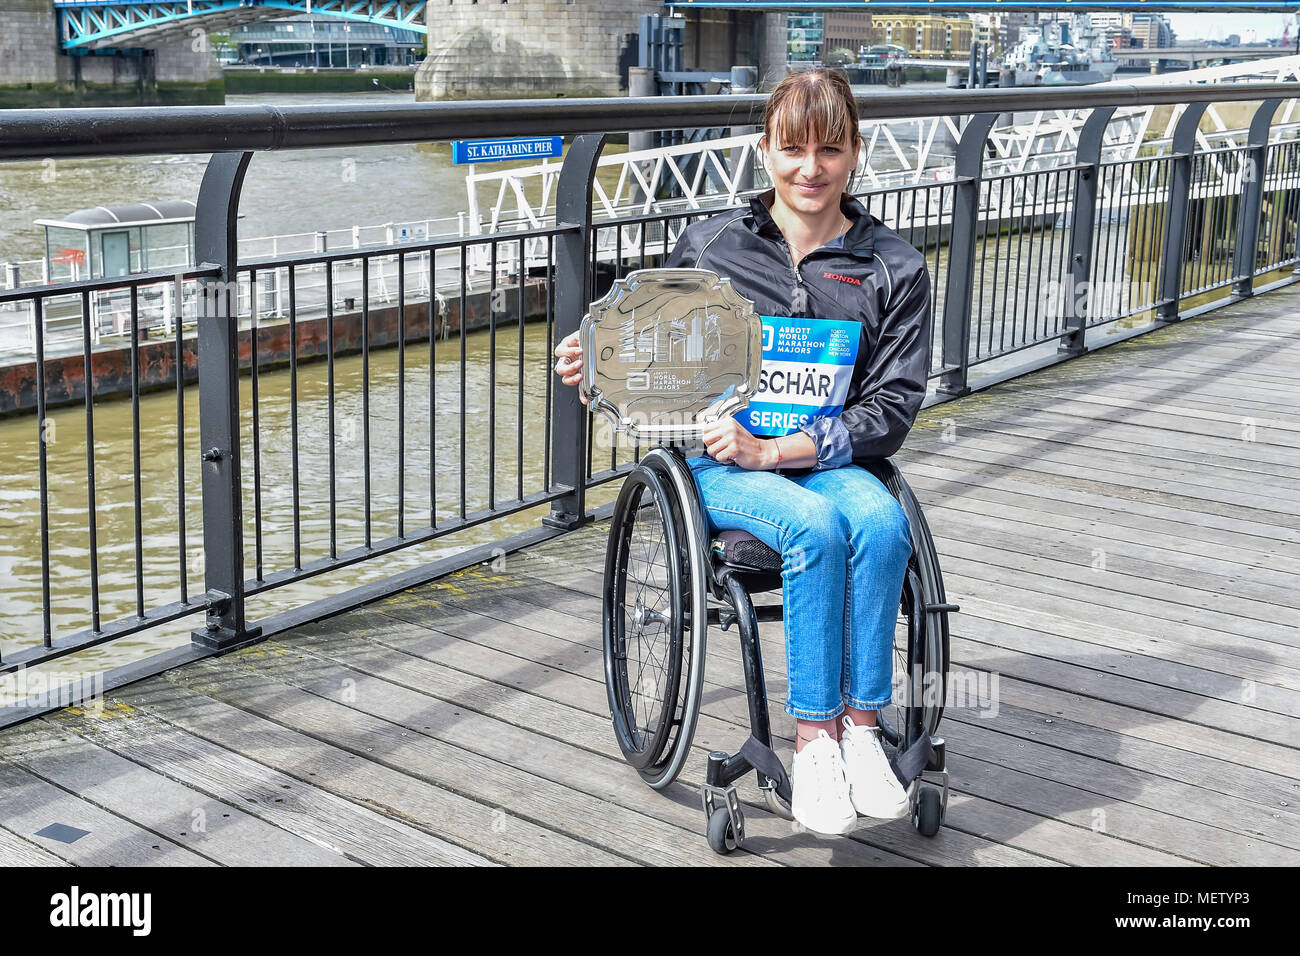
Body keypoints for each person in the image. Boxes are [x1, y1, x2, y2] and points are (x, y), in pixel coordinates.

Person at [554, 68, 933, 836]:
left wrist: (785, 449)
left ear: (855, 153)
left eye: (830, 149)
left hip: (830, 463)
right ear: (765, 150)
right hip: (718, 467)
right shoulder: (711, 246)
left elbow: (893, 407)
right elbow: (652, 354)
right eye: (793, 148)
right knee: (816, 531)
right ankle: (816, 740)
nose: (810, 168)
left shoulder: (893, 266)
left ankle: (863, 730)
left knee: (884, 525)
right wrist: (599, 363)